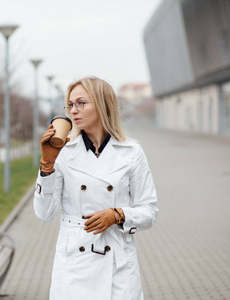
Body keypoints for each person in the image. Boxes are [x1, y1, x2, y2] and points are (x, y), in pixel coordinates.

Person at [33, 76, 158, 300]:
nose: (74, 111)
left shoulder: (131, 152)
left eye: (81, 103)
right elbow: (45, 214)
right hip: (74, 263)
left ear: (102, 104)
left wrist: (117, 214)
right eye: (70, 105)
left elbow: (149, 211)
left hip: (118, 262)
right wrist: (47, 166)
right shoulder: (62, 152)